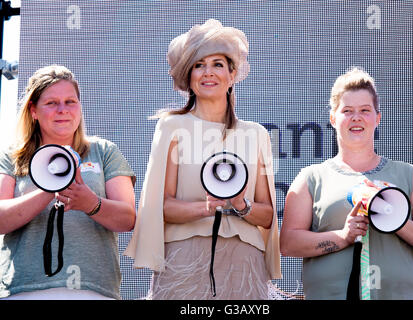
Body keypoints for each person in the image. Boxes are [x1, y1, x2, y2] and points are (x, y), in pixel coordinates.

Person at [124, 19, 281, 299]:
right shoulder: (172, 126)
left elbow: (268, 215)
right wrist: (207, 207)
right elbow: (162, 206)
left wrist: (240, 205)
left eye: (218, 64)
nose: (208, 73)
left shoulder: (256, 134)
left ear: (232, 75)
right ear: (189, 76)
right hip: (184, 258)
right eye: (199, 65)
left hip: (244, 260)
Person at [280, 67, 413, 300]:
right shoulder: (311, 177)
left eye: (365, 110)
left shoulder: (408, 174)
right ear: (333, 119)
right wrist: (343, 236)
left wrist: (394, 220)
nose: (356, 117)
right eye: (347, 111)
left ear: (378, 118)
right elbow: (288, 244)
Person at [0, 65, 136, 299]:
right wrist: (48, 189)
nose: (62, 110)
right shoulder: (13, 156)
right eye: (51, 103)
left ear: (80, 107)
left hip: (94, 289)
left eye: (70, 102)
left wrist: (90, 203)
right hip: (23, 289)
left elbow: (128, 219)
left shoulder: (104, 151)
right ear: (33, 110)